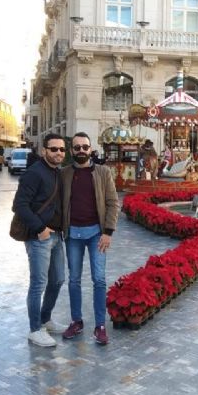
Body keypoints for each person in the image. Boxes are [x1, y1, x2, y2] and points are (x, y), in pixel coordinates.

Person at [61, 132, 119, 345]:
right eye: (77, 148)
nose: (81, 151)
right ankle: (77, 321)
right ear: (71, 151)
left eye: (85, 147)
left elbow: (113, 203)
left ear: (90, 148)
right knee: (74, 280)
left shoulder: (103, 172)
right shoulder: (64, 174)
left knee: (99, 279)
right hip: (72, 235)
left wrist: (108, 232)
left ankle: (100, 325)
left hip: (97, 234)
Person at [12, 133, 66, 347]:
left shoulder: (57, 173)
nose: (58, 153)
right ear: (44, 151)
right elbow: (19, 205)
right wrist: (40, 228)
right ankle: (35, 329)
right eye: (54, 149)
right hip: (39, 237)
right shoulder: (34, 173)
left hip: (56, 236)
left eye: (62, 149)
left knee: (58, 280)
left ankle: (46, 319)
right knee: (38, 284)